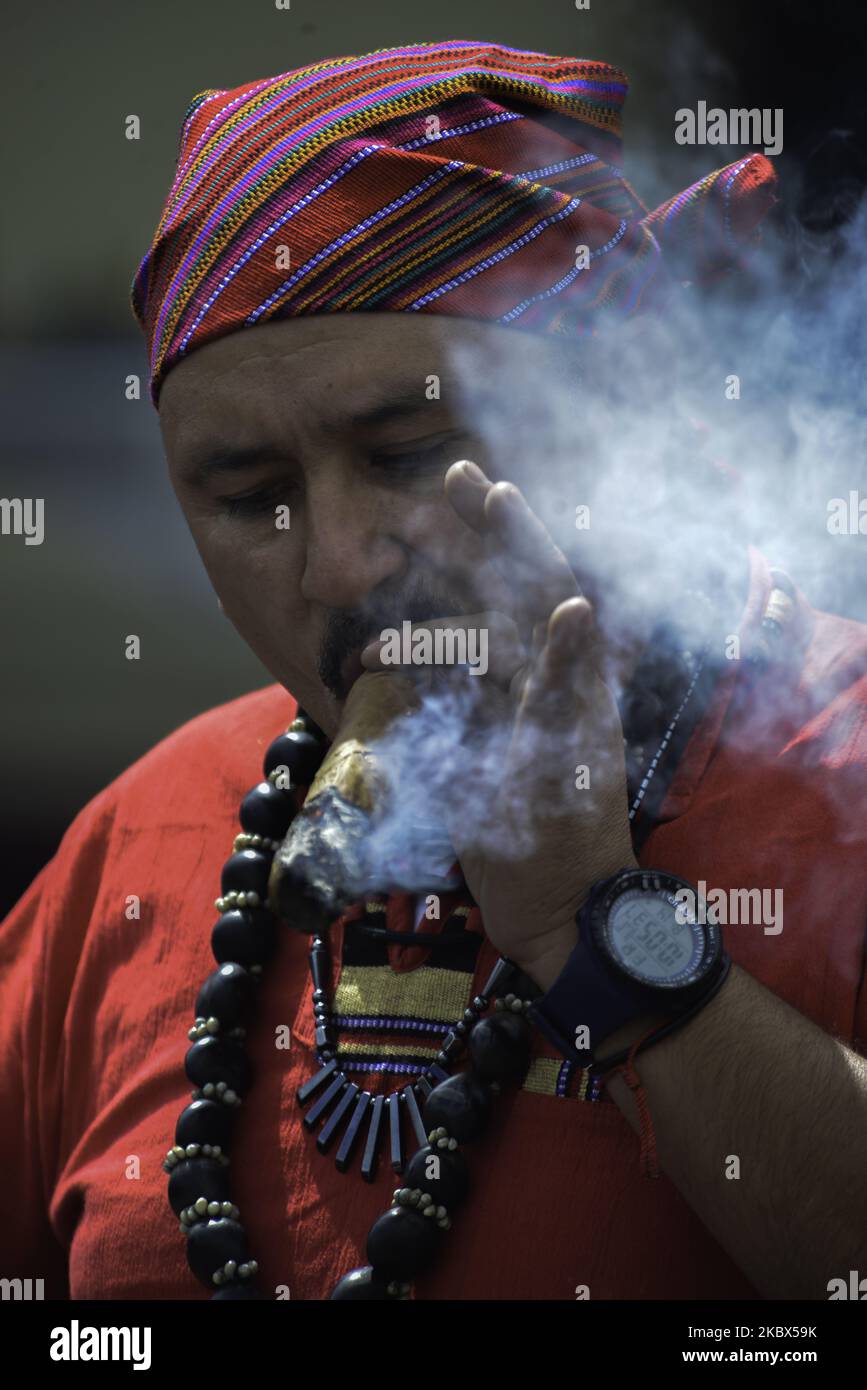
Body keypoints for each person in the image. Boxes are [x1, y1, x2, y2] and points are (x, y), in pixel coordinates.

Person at [2, 39, 866, 1303]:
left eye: (411, 452)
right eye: (251, 495)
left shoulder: (841, 759)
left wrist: (599, 935)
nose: (341, 566)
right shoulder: (139, 833)